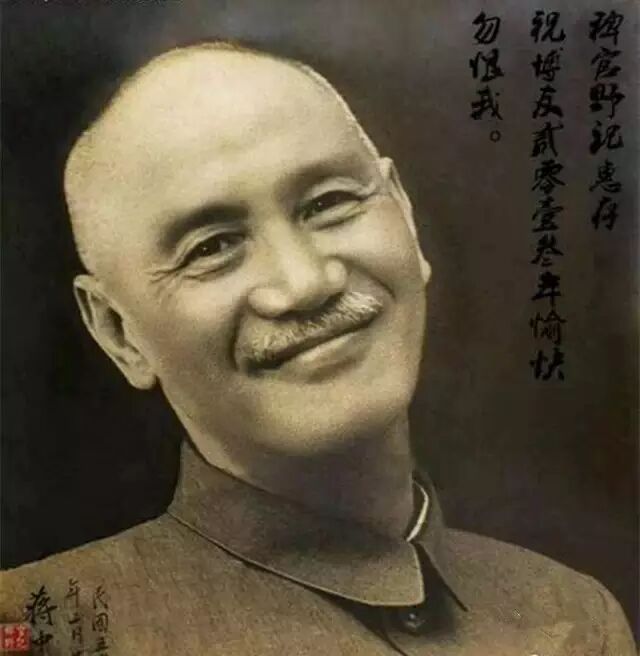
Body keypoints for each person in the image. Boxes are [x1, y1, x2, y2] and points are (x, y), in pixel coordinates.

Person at [0, 42, 635, 655]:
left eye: (329, 203)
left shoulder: (571, 615)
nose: (306, 282)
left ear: (406, 219)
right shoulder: (39, 629)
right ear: (118, 332)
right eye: (212, 247)